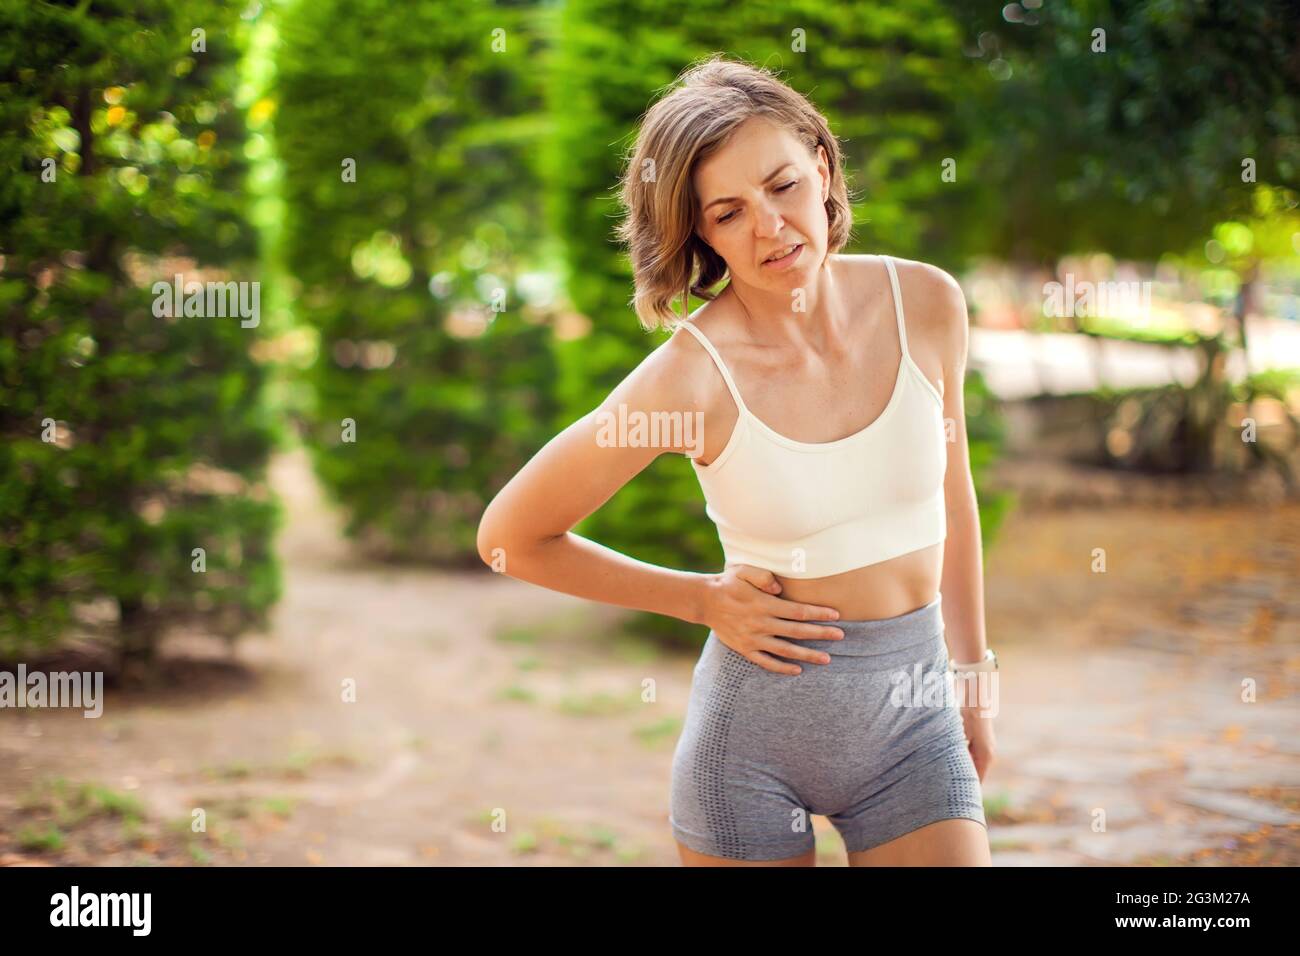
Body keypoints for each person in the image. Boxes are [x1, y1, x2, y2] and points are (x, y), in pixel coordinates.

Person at [477, 54, 998, 867]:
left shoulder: (926, 303)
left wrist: (974, 681)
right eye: (728, 212)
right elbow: (510, 535)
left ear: (822, 168)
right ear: (700, 233)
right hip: (753, 749)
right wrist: (700, 601)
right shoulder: (691, 377)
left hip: (916, 720)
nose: (771, 227)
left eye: (783, 186)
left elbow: (953, 496)